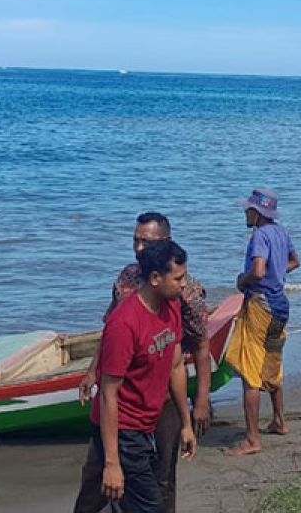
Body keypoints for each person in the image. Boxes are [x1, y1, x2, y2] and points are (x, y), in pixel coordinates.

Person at [77, 212, 210, 513]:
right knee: (106, 485)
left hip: (155, 410)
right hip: (124, 424)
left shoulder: (177, 299)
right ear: (155, 278)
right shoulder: (127, 308)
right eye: (135, 240)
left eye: (145, 241)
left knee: (156, 484)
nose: (138, 247)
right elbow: (109, 391)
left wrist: (191, 415)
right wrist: (113, 461)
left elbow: (187, 357)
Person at [225, 188, 300, 457]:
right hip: (280, 305)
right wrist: (277, 272)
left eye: (248, 209)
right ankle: (279, 420)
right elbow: (295, 261)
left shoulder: (259, 236)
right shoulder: (281, 232)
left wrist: (241, 280)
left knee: (250, 371)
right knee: (272, 361)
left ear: (256, 213)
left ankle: (253, 439)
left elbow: (257, 271)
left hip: (260, 304)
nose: (245, 213)